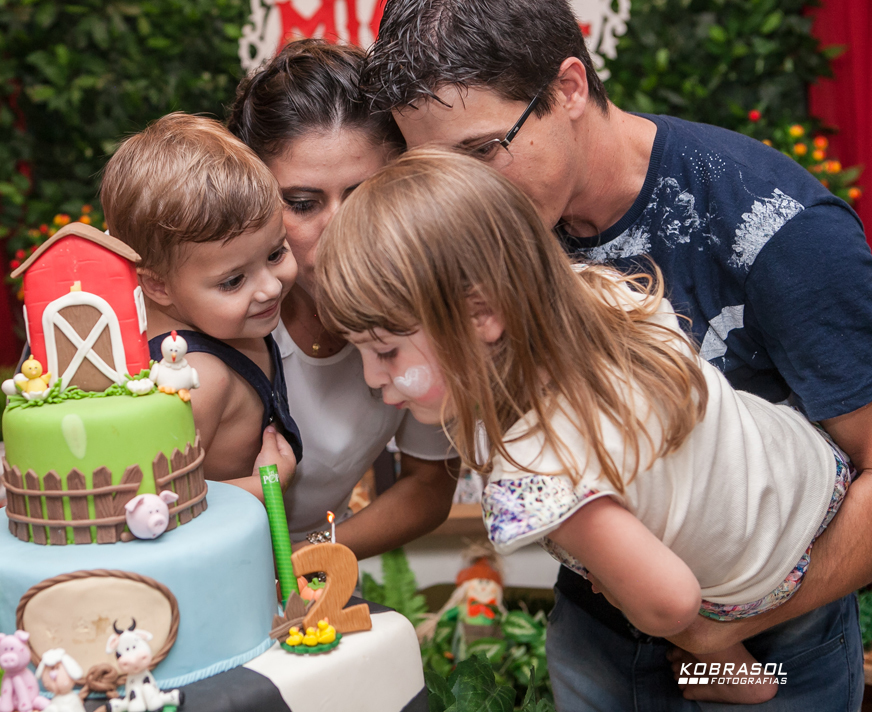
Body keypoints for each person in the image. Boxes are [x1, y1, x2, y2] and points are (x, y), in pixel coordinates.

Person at [362, 0, 872, 709]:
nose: (464, 197)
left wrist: (708, 634)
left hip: (769, 631)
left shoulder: (774, 228)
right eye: (438, 167)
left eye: (481, 151)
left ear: (568, 85)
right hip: (600, 629)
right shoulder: (482, 235)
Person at [315, 149, 852, 705]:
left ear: (483, 316)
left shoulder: (540, 471)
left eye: (385, 350)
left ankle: (734, 676)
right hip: (807, 468)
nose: (372, 377)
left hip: (764, 575)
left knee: (659, 605)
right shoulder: (586, 293)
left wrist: (623, 589)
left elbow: (671, 602)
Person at [228, 40, 460, 556]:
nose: (339, 230)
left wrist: (309, 561)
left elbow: (428, 484)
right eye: (303, 203)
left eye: (366, 196)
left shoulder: (428, 311)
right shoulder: (204, 310)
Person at [100, 112, 299, 500]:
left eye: (276, 253)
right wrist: (265, 488)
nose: (270, 287)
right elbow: (151, 505)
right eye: (233, 281)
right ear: (157, 284)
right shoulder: (197, 377)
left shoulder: (230, 323)